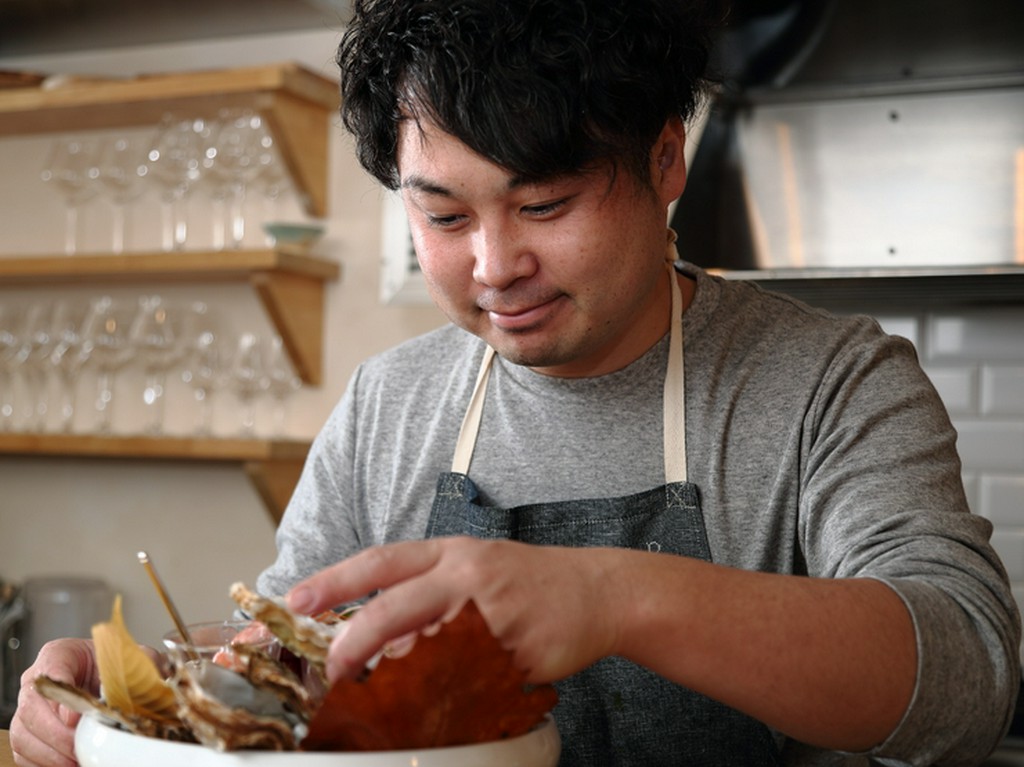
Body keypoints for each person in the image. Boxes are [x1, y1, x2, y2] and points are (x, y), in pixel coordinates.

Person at [11, 0, 1021, 765]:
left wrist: (615, 595)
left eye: (543, 203)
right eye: (445, 218)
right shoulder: (389, 404)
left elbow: (968, 671)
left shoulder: (830, 383)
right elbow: (285, 667)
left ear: (666, 156)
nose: (494, 264)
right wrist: (137, 696)